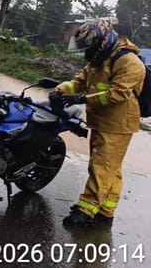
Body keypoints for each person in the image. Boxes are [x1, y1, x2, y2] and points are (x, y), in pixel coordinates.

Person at [57, 19, 146, 227]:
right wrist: (61, 90)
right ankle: (106, 211)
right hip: (101, 120)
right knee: (111, 168)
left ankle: (86, 210)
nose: (88, 53)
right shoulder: (99, 61)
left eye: (90, 47)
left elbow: (117, 94)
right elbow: (79, 81)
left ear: (102, 43)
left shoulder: (130, 63)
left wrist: (82, 99)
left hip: (118, 124)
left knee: (101, 167)